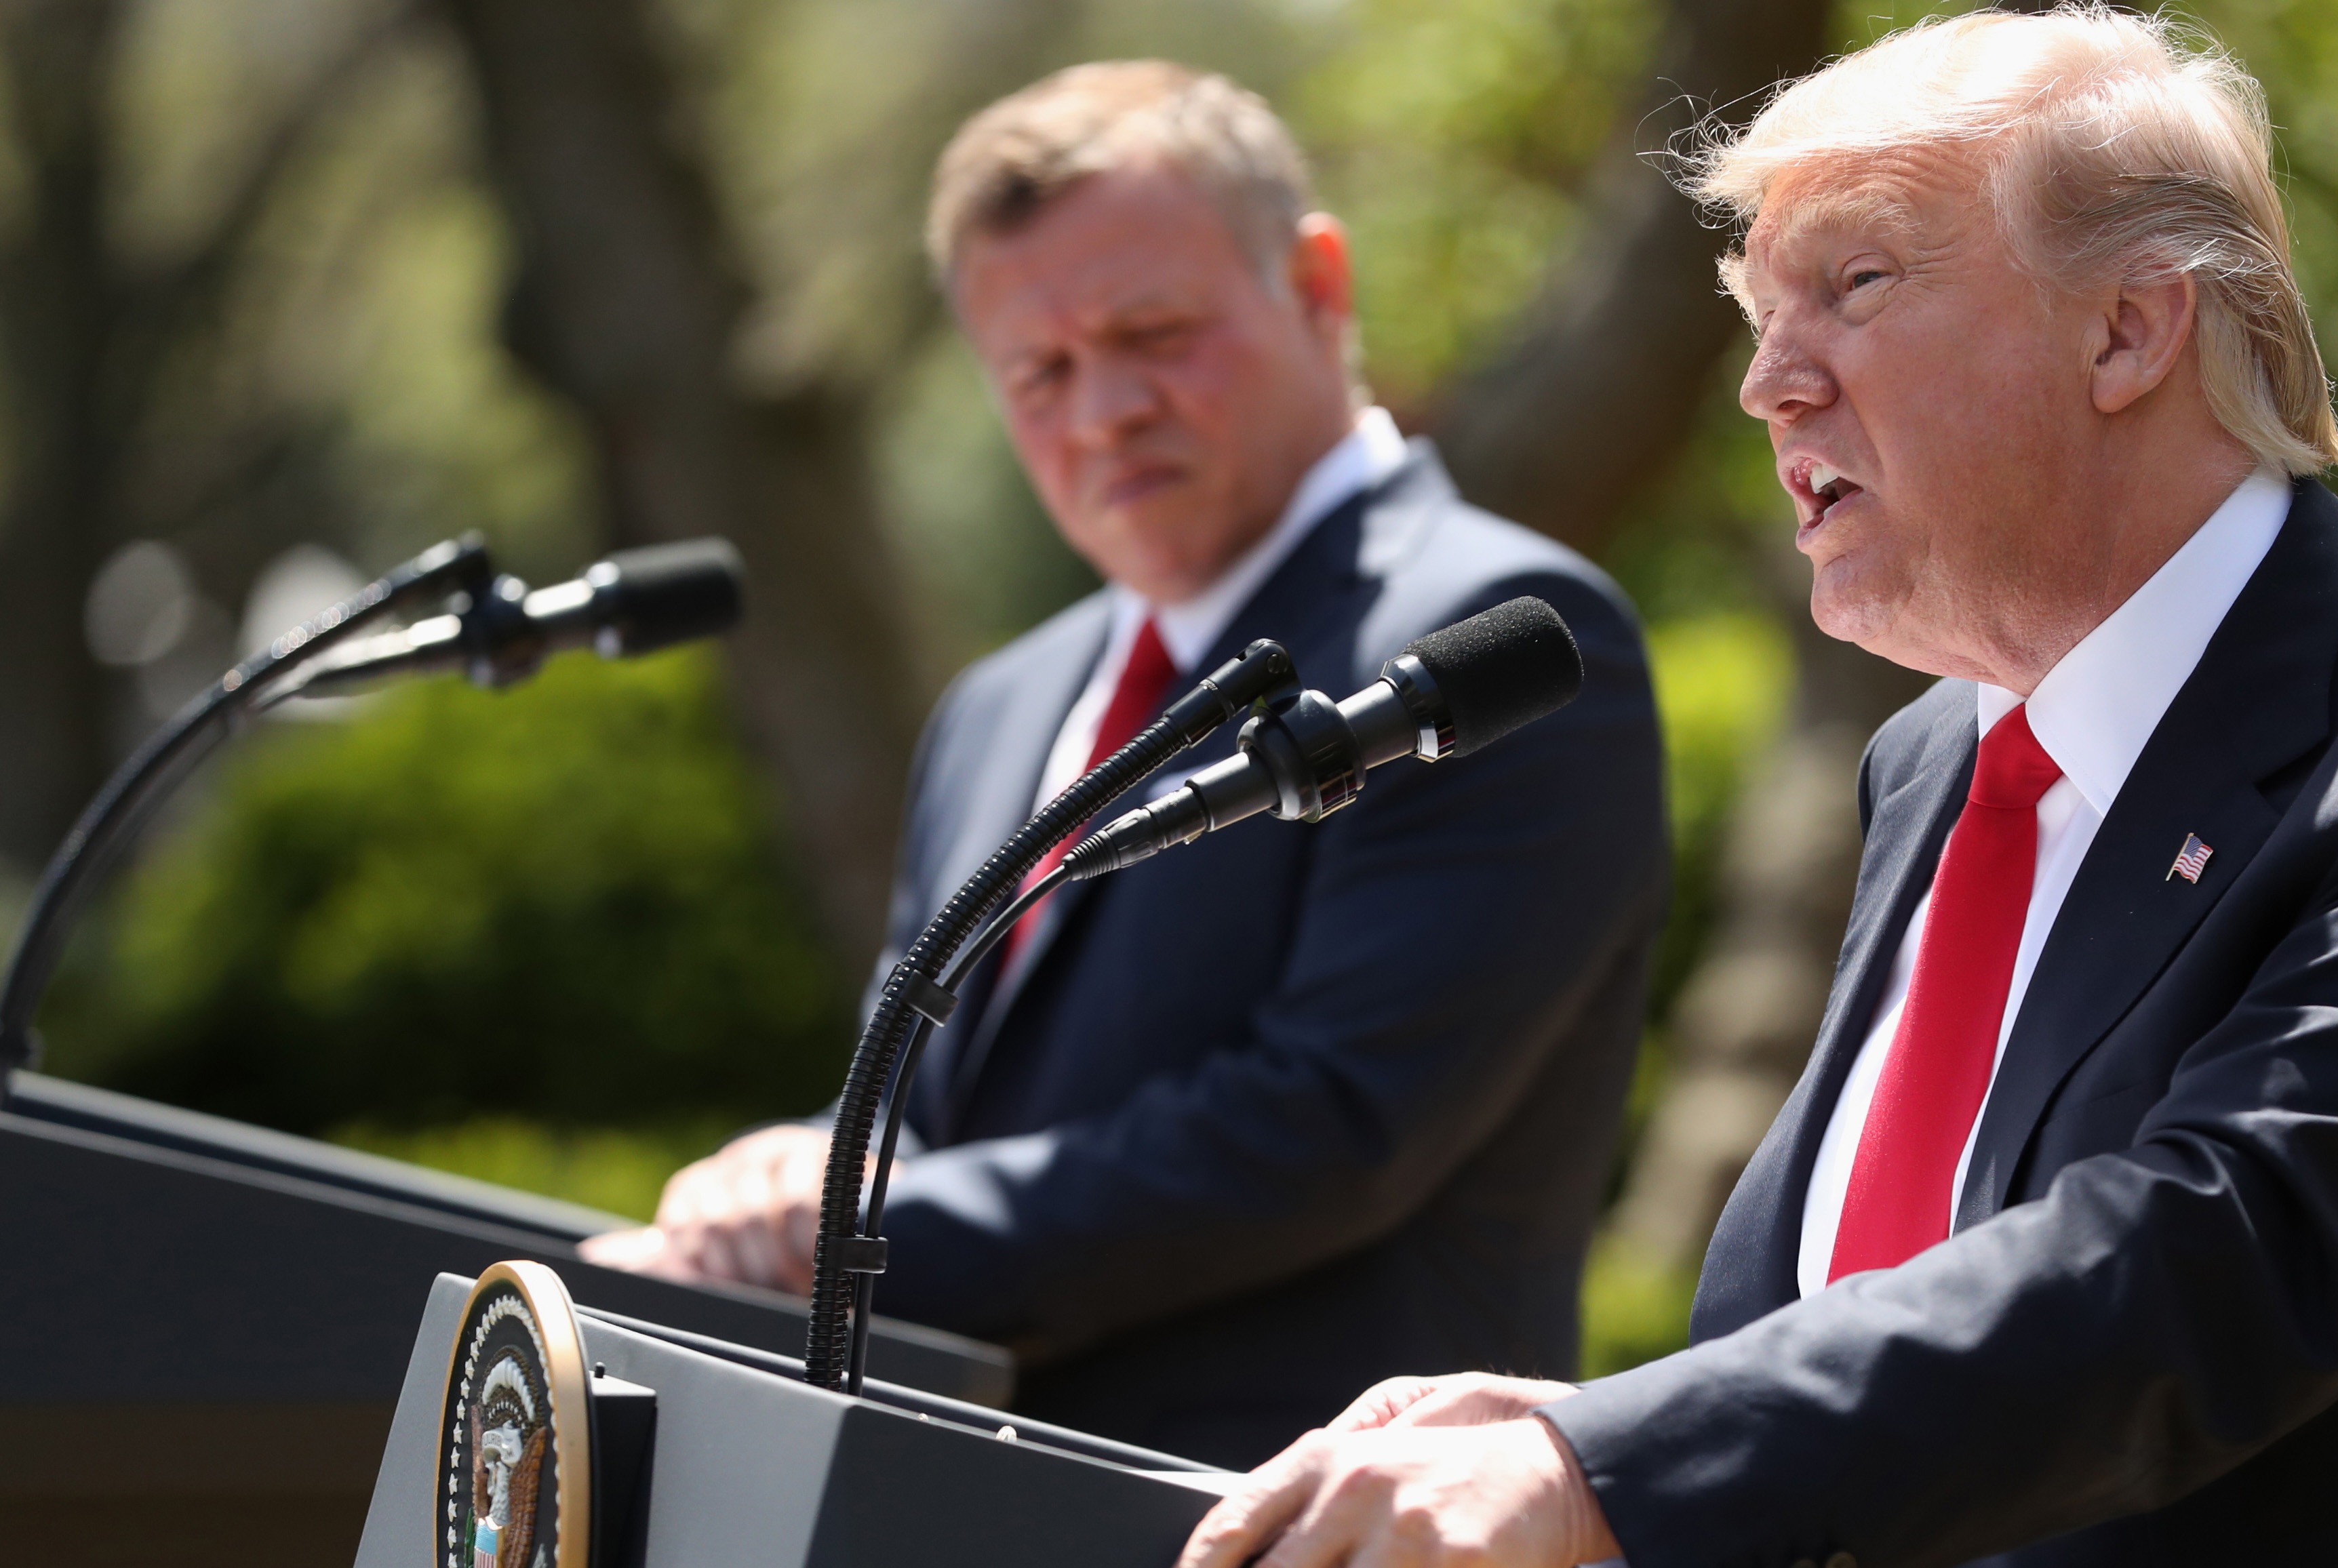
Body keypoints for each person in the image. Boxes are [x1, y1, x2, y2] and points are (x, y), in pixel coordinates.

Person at [1178, 9, 2338, 1565]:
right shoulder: (1937, 755)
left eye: (1853, 286)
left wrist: (1606, 1468)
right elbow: (1886, 1315)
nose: (1766, 384)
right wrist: (1613, 1436)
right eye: (1757, 315)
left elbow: (2194, 1272)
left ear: (2125, 330)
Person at [582, 61, 1669, 1468]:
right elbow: (930, 1099)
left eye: (1153, 334)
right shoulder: (999, 703)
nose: (1101, 411)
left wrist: (839, 1231)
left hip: (1305, 1510)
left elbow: (1328, 1124)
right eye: (1037, 372)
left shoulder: (1481, 639)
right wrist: (788, 1174)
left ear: (1317, 286)